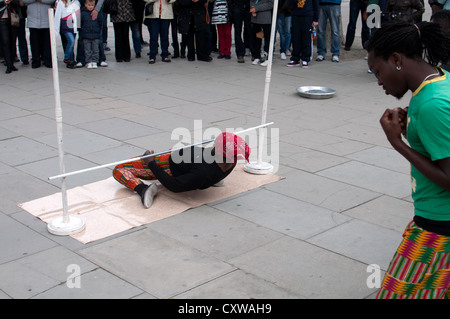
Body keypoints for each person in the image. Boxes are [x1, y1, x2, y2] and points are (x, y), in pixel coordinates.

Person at [366, 21, 450, 299]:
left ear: (396, 60)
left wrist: (397, 143)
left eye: (378, 71)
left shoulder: (430, 104)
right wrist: (412, 131)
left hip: (437, 227)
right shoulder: (440, 80)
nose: (378, 81)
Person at [112, 132, 251, 208]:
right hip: (184, 159)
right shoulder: (232, 161)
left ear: (216, 150)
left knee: (119, 169)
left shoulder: (203, 171)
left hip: (167, 164)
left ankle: (143, 189)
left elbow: (175, 186)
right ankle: (215, 181)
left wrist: (151, 163)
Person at [284, 0, 319, 68]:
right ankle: (295, 58)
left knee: (306, 38)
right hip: (296, 15)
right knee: (296, 37)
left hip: (307, 15)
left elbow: (316, 4)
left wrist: (316, 19)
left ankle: (305, 59)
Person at [22, 0, 54, 68]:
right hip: (33, 20)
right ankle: (36, 61)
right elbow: (24, 1)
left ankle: (47, 61)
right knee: (34, 43)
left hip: (46, 19)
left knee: (47, 43)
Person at [54, 0, 81, 69]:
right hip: (65, 25)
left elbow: (78, 14)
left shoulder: (77, 2)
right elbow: (57, 16)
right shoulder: (61, 2)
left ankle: (71, 60)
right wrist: (55, 30)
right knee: (71, 40)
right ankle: (66, 57)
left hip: (74, 26)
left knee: (72, 43)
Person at [249, 0, 273, 66]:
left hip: (266, 19)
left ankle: (269, 58)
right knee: (256, 38)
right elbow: (252, 1)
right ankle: (257, 56)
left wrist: (256, 9)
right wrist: (252, 8)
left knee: (268, 39)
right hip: (256, 18)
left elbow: (270, 4)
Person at [0, 0, 20, 73]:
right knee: (5, 42)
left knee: (13, 41)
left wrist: (11, 1)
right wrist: (4, 2)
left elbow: (19, 4)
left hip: (13, 19)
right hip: (2, 20)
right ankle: (8, 64)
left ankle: (11, 63)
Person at [80, 0, 101, 68]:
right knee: (87, 50)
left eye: (92, 5)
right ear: (85, 5)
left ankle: (95, 61)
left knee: (96, 50)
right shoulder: (83, 14)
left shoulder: (97, 13)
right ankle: (88, 61)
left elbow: (100, 23)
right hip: (86, 35)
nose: (90, 7)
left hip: (95, 35)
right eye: (89, 5)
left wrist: (98, 31)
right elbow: (81, 23)